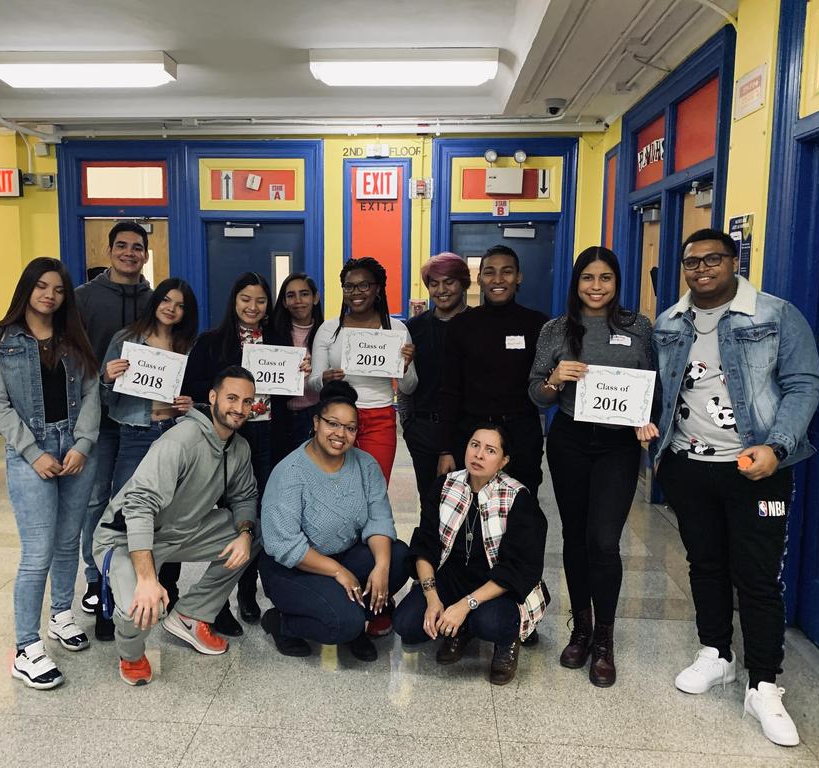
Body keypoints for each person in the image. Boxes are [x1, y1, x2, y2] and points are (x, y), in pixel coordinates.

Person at [648, 228, 819, 747]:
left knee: (758, 576)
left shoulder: (775, 314)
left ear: (733, 262)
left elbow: (804, 384)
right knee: (705, 564)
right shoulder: (669, 322)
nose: (701, 269)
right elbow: (663, 388)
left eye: (712, 259)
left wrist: (778, 447)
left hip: (757, 467)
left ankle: (764, 683)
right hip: (688, 466)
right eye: (692, 262)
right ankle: (716, 653)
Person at [527, 246, 655, 687]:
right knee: (576, 536)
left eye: (605, 278)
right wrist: (554, 379)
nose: (596, 287)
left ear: (617, 282)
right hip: (570, 442)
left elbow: (652, 385)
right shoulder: (556, 329)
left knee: (604, 541)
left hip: (618, 447)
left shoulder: (638, 327)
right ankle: (580, 629)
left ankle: (604, 639)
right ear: (576, 282)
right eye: (588, 278)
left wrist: (647, 420)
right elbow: (536, 394)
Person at [0, 257, 100, 690]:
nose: (50, 295)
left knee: (68, 540)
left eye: (59, 289)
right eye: (42, 286)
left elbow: (91, 391)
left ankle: (61, 613)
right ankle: (26, 648)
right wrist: (33, 452)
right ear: (27, 288)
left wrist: (83, 444)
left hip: (75, 448)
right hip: (31, 451)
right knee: (37, 551)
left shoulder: (73, 338)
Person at [93, 366, 261, 686]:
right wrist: (147, 578)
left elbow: (245, 497)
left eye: (247, 401)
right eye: (232, 398)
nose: (239, 408)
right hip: (124, 538)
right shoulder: (181, 440)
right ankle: (131, 655)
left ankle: (191, 614)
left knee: (256, 533)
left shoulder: (239, 448)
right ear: (213, 397)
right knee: (140, 607)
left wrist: (244, 533)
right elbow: (139, 505)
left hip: (181, 532)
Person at [181, 272, 309, 635]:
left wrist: (300, 370)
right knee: (226, 517)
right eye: (246, 299)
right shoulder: (211, 342)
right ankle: (217, 602)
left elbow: (289, 392)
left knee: (260, 516)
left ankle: (248, 592)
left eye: (261, 300)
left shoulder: (279, 341)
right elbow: (192, 389)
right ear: (234, 301)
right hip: (227, 440)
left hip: (271, 437)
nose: (253, 307)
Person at [259, 380, 411, 662]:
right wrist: (338, 572)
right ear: (316, 422)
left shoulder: (365, 464)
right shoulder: (290, 472)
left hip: (344, 554)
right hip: (293, 569)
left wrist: (381, 567)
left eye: (350, 428)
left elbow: (379, 519)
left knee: (399, 557)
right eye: (332, 424)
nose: (340, 434)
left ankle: (357, 617)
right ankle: (281, 623)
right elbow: (286, 546)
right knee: (343, 623)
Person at [393, 425, 549, 685]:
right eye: (474, 445)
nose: (479, 455)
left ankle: (506, 641)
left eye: (490, 450)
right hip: (452, 578)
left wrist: (465, 605)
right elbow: (424, 545)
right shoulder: (445, 485)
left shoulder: (518, 498)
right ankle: (460, 628)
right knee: (406, 624)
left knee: (488, 623)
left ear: (504, 461)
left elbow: (518, 568)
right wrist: (432, 597)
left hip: (497, 585)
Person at [75, 222, 152, 637]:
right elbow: (71, 356)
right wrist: (99, 377)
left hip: (140, 421)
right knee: (95, 499)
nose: (129, 253)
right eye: (121, 246)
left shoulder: (155, 301)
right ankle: (95, 577)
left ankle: (126, 572)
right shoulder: (83, 298)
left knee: (131, 500)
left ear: (145, 254)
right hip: (98, 418)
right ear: (109, 251)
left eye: (137, 247)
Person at [437, 244, 549, 500]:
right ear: (479, 278)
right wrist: (445, 448)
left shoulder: (538, 324)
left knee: (522, 508)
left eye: (506, 272)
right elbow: (449, 390)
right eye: (489, 272)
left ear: (518, 277)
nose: (498, 279)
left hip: (522, 436)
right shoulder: (461, 326)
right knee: (472, 508)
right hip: (471, 434)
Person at [308, 257, 417, 485]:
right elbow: (313, 383)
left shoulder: (396, 330)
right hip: (336, 417)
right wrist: (325, 379)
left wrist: (405, 368)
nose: (355, 292)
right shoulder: (328, 329)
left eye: (364, 285)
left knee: (374, 488)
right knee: (335, 486)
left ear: (377, 289)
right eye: (349, 286)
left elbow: (409, 387)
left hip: (380, 420)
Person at [100, 278, 199, 494]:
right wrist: (107, 378)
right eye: (166, 300)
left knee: (171, 499)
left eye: (180, 305)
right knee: (125, 500)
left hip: (175, 429)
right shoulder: (125, 340)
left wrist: (190, 404)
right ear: (155, 301)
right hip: (136, 432)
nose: (171, 308)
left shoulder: (189, 346)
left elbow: (196, 392)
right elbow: (105, 399)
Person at [401, 252, 470, 503]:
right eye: (434, 283)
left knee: (465, 504)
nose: (441, 290)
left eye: (449, 282)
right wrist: (408, 425)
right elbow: (406, 382)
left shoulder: (478, 324)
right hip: (423, 429)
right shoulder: (414, 327)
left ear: (463, 283)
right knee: (429, 502)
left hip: (468, 429)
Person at [271, 272, 323, 456]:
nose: (298, 300)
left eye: (304, 294)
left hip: (314, 414)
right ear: (284, 302)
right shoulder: (271, 333)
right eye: (291, 295)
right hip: (279, 416)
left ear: (315, 298)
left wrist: (318, 368)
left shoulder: (327, 334)